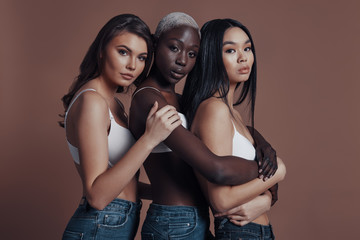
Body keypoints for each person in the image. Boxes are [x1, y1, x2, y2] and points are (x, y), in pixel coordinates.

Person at [129, 12, 279, 240]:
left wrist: (262, 143)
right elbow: (215, 168)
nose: (182, 61)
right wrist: (272, 170)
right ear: (155, 44)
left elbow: (228, 129)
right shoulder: (149, 100)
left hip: (192, 220)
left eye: (192, 54)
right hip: (174, 221)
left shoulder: (178, 100)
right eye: (174, 48)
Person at [59, 14, 182, 240]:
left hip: (111, 223)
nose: (133, 66)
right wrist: (149, 139)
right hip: (100, 225)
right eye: (123, 52)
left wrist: (172, 194)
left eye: (142, 57)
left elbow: (123, 184)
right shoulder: (92, 102)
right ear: (102, 50)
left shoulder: (112, 103)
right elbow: (97, 195)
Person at [182, 18, 286, 239]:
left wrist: (266, 201)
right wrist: (279, 172)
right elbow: (221, 200)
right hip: (240, 232)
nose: (243, 57)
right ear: (211, 57)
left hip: (257, 231)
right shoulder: (214, 110)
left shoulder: (232, 113)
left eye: (247, 48)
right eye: (230, 50)